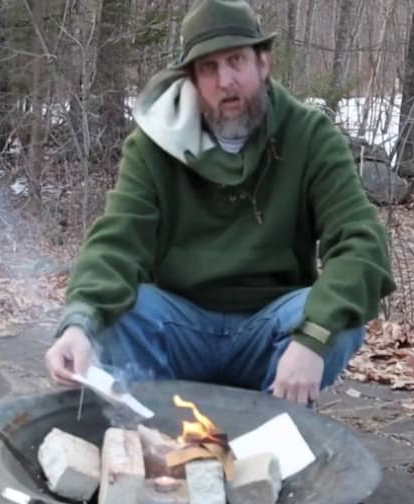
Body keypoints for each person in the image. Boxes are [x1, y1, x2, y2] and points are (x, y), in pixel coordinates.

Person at [45, 0, 395, 406]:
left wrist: (312, 337)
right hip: (177, 326)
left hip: (271, 328)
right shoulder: (153, 144)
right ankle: (154, 421)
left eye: (236, 61)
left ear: (263, 63)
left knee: (336, 319)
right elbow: (118, 241)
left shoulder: (310, 135)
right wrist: (78, 325)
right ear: (191, 79)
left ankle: (274, 427)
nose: (225, 80)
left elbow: (362, 243)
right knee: (115, 312)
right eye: (208, 68)